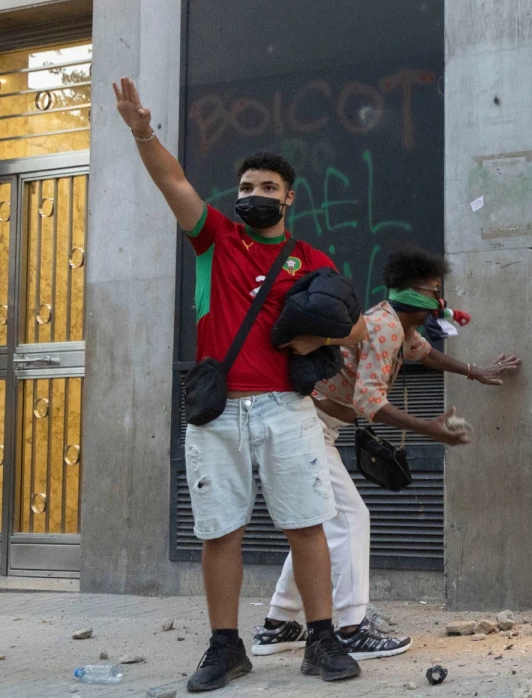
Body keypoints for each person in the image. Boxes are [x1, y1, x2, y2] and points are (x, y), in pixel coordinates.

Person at [114, 77, 368, 690]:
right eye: (246, 187)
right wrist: (142, 131)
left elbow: (359, 328)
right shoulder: (215, 239)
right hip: (219, 412)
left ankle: (322, 641)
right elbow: (172, 181)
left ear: (289, 199)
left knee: (306, 525)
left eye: (266, 189)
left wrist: (320, 339)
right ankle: (226, 647)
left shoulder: (312, 260)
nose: (252, 195)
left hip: (286, 407)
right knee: (218, 531)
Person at [255, 245, 521, 660]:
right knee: (350, 519)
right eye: (434, 291)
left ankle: (278, 623)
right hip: (305, 425)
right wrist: (428, 429)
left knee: (315, 527)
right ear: (416, 294)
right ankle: (350, 628)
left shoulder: (399, 325)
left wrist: (475, 371)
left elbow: (425, 353)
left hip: (313, 425)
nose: (441, 300)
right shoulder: (385, 328)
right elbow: (368, 402)